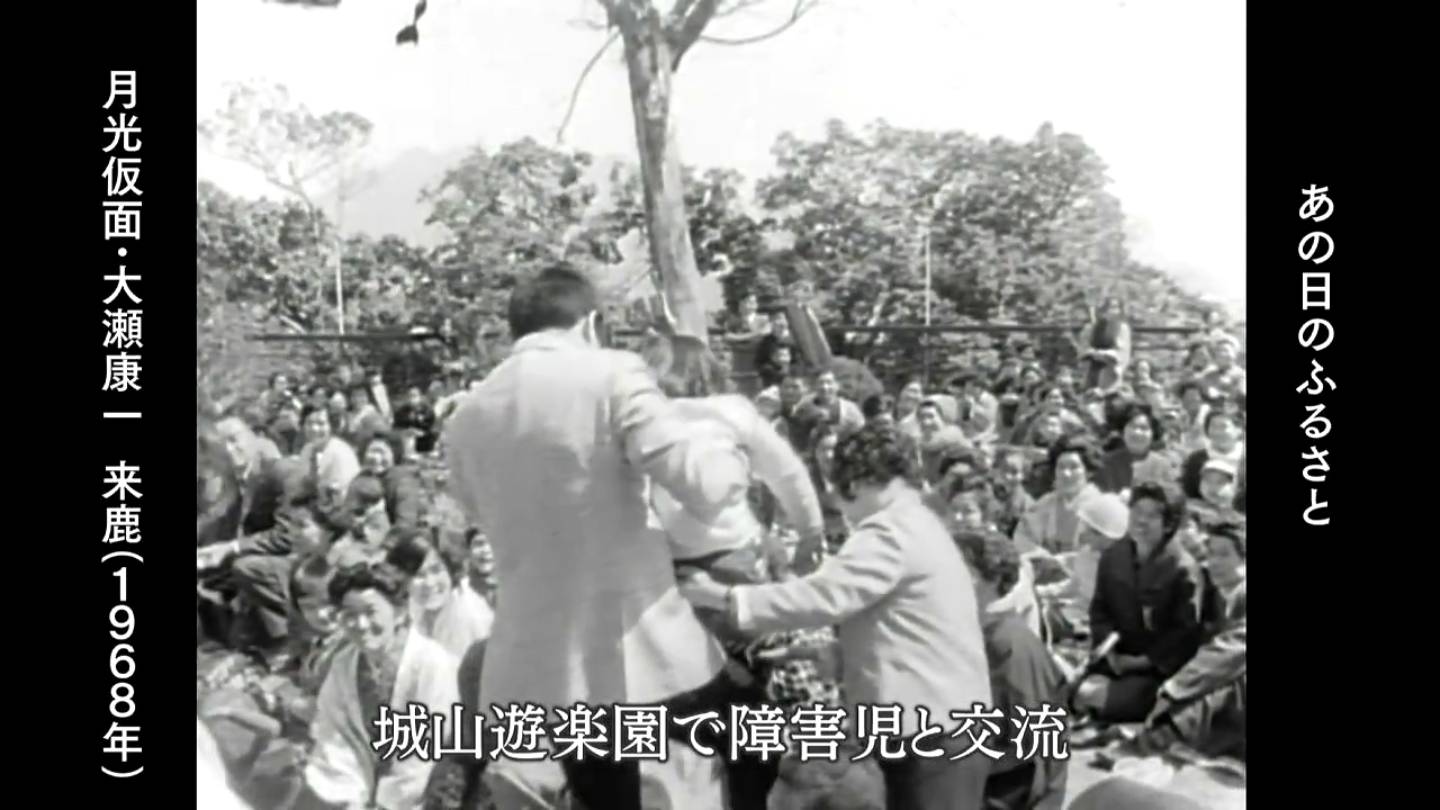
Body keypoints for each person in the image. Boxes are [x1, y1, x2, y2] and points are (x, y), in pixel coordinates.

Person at [444, 264, 751, 810]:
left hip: (541, 666)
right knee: (751, 746)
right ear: (589, 324)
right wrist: (733, 447)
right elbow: (706, 486)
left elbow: (476, 511)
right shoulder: (612, 374)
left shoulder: (467, 415)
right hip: (643, 648)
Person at [680, 424, 994, 810]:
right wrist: (844, 656)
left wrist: (724, 598)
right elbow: (912, 628)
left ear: (856, 482)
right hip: (945, 722)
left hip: (927, 733)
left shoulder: (889, 531)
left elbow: (825, 595)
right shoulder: (921, 523)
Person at [298, 563, 459, 810]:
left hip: (425, 787)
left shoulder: (433, 663)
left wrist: (387, 803)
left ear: (399, 612)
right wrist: (351, 796)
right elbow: (334, 732)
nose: (361, 624)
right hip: (361, 790)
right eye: (349, 614)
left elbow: (424, 749)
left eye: (370, 612)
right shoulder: (345, 663)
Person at [953, 529, 1068, 810]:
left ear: (991, 579)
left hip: (1011, 789)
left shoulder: (1011, 645)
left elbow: (1033, 744)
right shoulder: (972, 631)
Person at [1074, 482, 1206, 724]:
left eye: (1152, 515)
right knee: (1062, 686)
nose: (1141, 521)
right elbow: (1100, 609)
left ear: (1169, 524)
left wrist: (1140, 663)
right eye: (1137, 511)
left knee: (1091, 696)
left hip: (1157, 672)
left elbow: (1183, 636)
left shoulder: (1183, 570)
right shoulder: (1114, 556)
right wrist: (1108, 650)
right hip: (1115, 659)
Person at [1137, 522, 1247, 759]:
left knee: (1228, 679)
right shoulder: (1215, 593)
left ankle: (1168, 736)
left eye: (1224, 555)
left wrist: (1175, 687)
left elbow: (1232, 649)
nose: (1214, 562)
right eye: (1211, 553)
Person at [385, 528, 494, 659]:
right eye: (418, 575)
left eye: (436, 570)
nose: (430, 583)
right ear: (403, 581)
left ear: (450, 568)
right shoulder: (417, 604)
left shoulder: (466, 615)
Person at [198, 417, 291, 546]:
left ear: (252, 438)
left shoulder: (279, 472)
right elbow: (216, 521)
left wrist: (234, 548)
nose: (229, 449)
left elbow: (287, 535)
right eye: (222, 445)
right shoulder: (232, 482)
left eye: (233, 439)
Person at [1013, 435, 1104, 557]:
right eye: (1061, 467)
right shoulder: (1044, 504)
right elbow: (1023, 539)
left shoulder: (1102, 507)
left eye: (1074, 467)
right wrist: (1044, 558)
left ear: (1089, 471)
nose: (1066, 473)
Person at [1097, 403, 1179, 494]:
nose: (1137, 432)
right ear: (1122, 430)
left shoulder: (1163, 464)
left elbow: (1172, 497)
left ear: (1152, 433)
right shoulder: (1107, 462)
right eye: (1132, 426)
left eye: (1144, 428)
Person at [298, 406, 362, 516]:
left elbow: (341, 499)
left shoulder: (340, 453)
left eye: (321, 424)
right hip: (316, 509)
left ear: (331, 426)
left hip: (342, 513)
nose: (314, 429)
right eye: (309, 423)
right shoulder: (307, 449)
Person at [355, 432, 425, 530]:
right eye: (372, 452)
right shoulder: (362, 477)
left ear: (394, 455)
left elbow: (405, 525)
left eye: (381, 452)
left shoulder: (403, 482)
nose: (376, 458)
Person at [1179, 410, 1245, 500]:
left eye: (1223, 426)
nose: (1217, 432)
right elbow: (1190, 495)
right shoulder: (1196, 459)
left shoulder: (1243, 457)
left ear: (1239, 430)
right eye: (1213, 427)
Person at [808, 368, 865, 434]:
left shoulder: (851, 409)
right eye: (821, 383)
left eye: (829, 383)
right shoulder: (805, 407)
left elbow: (859, 428)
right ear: (815, 386)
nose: (825, 387)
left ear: (837, 385)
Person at [392, 386, 439, 455]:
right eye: (410, 396)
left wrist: (421, 422)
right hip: (408, 436)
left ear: (420, 396)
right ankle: (410, 455)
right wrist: (408, 427)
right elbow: (397, 424)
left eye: (415, 395)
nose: (412, 398)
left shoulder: (426, 408)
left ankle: (428, 451)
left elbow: (431, 421)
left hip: (423, 435)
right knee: (409, 437)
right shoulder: (402, 410)